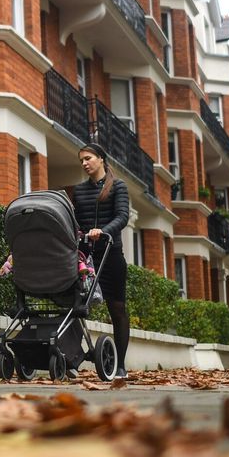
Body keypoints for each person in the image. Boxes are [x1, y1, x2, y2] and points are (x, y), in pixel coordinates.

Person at [71, 142, 130, 378]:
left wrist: (102, 231)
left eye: (88, 158)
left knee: (117, 309)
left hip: (111, 255)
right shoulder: (80, 190)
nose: (84, 163)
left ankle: (121, 365)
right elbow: (75, 220)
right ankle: (71, 357)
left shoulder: (118, 186)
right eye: (81, 160)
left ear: (101, 159)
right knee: (75, 306)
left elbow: (123, 216)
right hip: (86, 258)